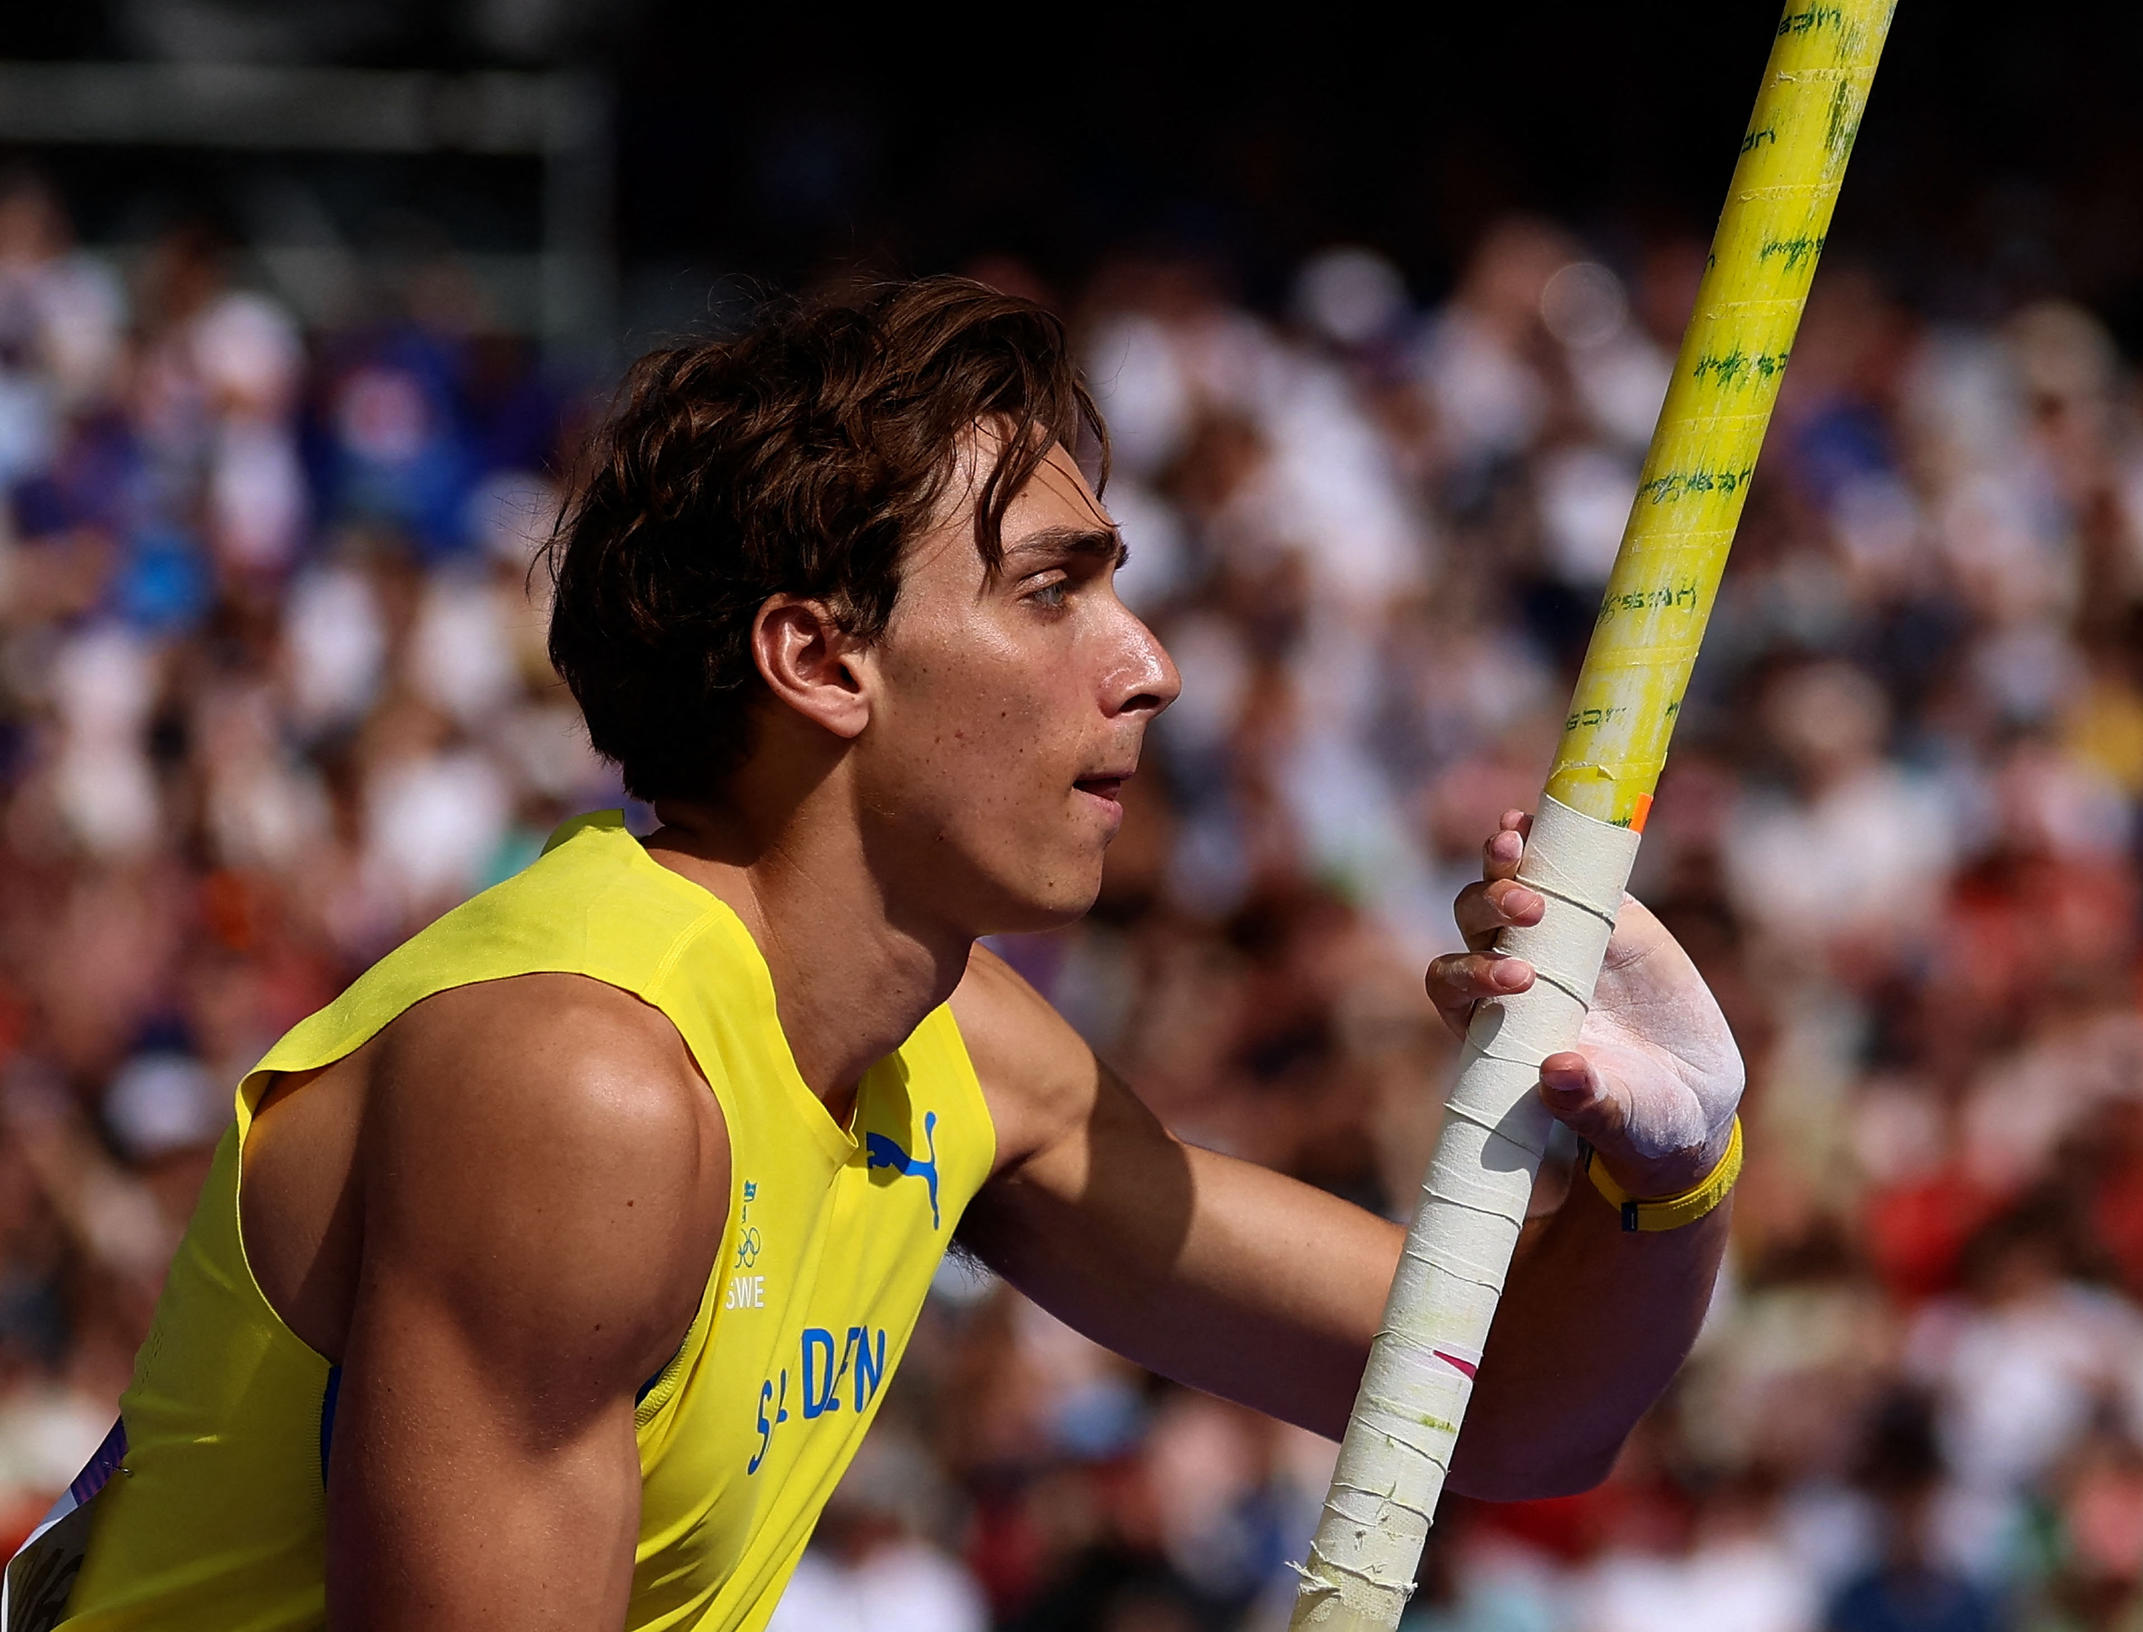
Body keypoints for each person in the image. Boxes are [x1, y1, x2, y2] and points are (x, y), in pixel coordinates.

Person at [2, 279, 1747, 1632]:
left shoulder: (963, 1053)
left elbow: (1505, 1407)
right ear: (821, 660)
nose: (1151, 666)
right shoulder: (579, 1080)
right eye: (1054, 591)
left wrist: (1672, 1170)